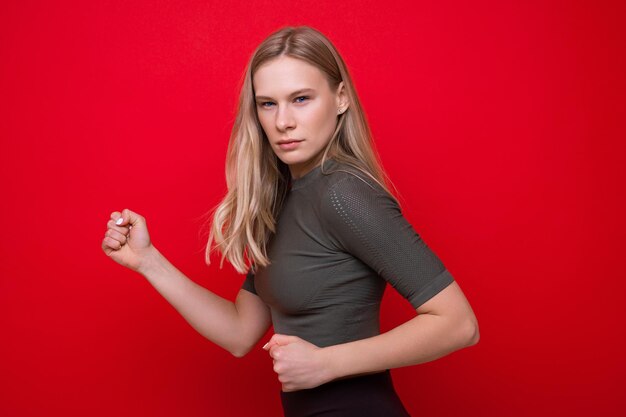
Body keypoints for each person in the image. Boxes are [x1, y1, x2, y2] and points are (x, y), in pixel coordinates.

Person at [102, 25, 479, 417]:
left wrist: (326, 363)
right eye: (268, 104)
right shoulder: (281, 199)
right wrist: (148, 261)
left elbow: (458, 324)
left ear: (341, 98)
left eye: (301, 99)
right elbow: (239, 332)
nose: (283, 121)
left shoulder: (343, 195)